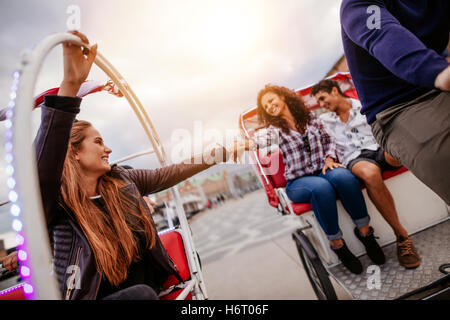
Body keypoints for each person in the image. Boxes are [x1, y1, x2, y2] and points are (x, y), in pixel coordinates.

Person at [35, 31, 250, 300]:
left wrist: (225, 151)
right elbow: (44, 166)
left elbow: (173, 172)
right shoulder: (57, 202)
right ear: (74, 153)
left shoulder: (122, 182)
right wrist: (69, 86)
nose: (108, 149)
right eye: (99, 142)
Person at [256, 84, 385, 274]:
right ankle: (338, 244)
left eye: (271, 100)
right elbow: (260, 140)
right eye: (265, 106)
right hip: (298, 182)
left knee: (345, 178)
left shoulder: (311, 120)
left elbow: (329, 140)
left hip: (323, 168)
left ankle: (365, 233)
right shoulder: (274, 131)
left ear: (283, 97)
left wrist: (330, 158)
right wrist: (244, 144)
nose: (269, 106)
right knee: (321, 188)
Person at [340, 0, 450, 204]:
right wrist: (437, 71)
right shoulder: (357, 4)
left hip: (439, 85)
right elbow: (382, 34)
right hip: (398, 108)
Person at [311, 79, 420, 269]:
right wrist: (328, 158)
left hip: (379, 147)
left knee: (404, 152)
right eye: (318, 102)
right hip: (354, 158)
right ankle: (402, 236)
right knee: (370, 174)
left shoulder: (364, 105)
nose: (321, 105)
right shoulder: (323, 121)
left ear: (335, 91)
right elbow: (322, 142)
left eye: (322, 98)